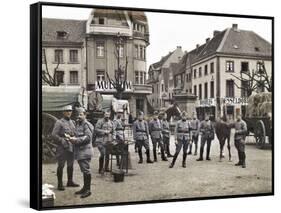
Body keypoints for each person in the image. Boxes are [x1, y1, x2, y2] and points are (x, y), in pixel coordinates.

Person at [51, 105, 79, 191]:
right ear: (63, 112)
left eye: (70, 111)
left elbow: (75, 133)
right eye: (67, 111)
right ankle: (60, 184)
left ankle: (69, 181)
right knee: (61, 165)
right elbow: (54, 135)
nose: (68, 112)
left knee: (70, 165)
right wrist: (62, 140)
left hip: (71, 146)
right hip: (62, 147)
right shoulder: (59, 122)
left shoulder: (73, 122)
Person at [68, 108, 94, 198]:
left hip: (85, 151)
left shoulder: (87, 124)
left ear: (85, 115)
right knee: (84, 170)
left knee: (86, 170)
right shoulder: (79, 124)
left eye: (80, 115)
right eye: (77, 115)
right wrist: (71, 137)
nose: (78, 116)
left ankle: (88, 190)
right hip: (80, 151)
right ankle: (84, 188)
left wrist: (76, 140)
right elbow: (78, 135)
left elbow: (87, 138)